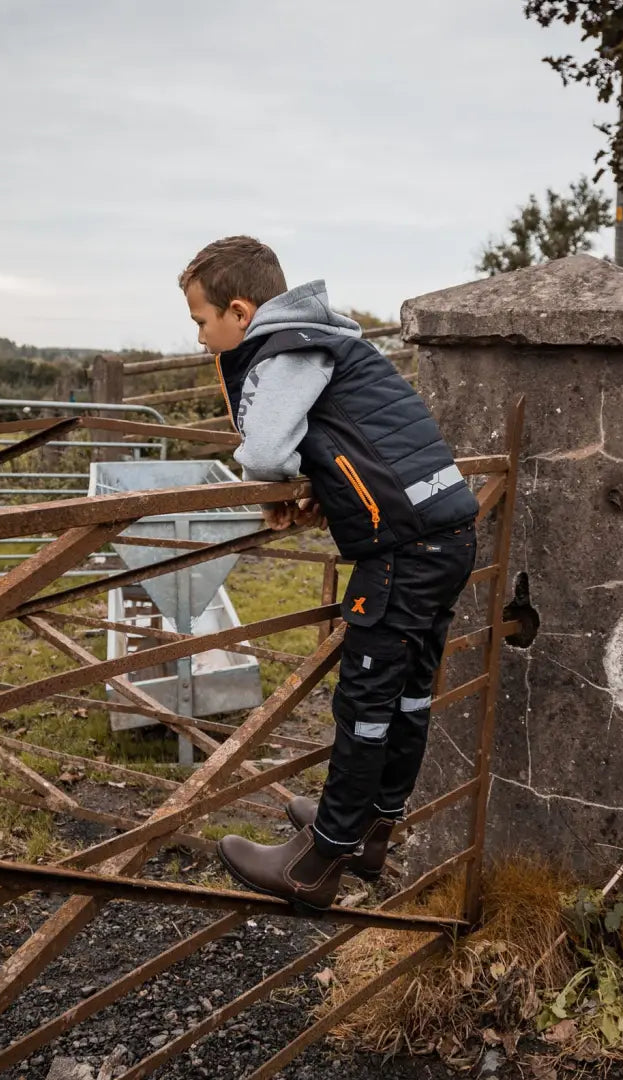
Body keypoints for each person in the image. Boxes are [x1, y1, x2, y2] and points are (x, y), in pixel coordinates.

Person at [179, 236, 478, 911]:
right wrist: (324, 483)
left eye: (202, 322)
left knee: (366, 703)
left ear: (240, 311)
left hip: (403, 548)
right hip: (446, 530)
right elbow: (353, 441)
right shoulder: (329, 337)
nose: (199, 339)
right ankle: (370, 830)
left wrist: (292, 478)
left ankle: (318, 863)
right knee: (407, 695)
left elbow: (264, 452)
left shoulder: (286, 350)